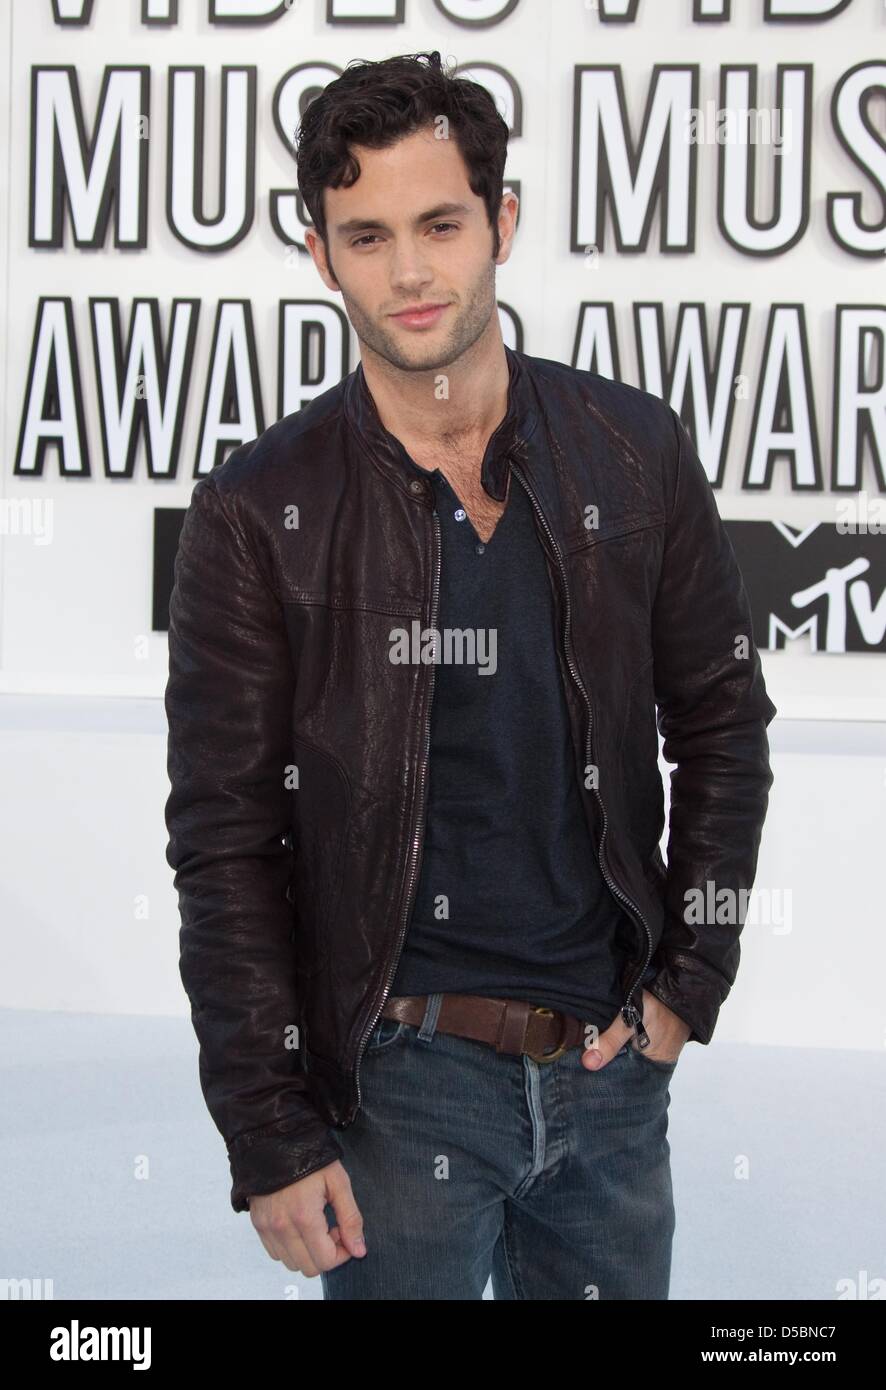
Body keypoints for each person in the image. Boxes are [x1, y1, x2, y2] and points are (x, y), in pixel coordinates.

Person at [164, 50, 776, 1300]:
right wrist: (270, 1131)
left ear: (500, 222)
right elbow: (224, 840)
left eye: (439, 223)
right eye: (366, 234)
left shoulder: (633, 450)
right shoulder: (255, 509)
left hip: (609, 1078)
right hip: (394, 1085)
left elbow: (722, 723)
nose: (406, 272)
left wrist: (684, 991)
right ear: (318, 252)